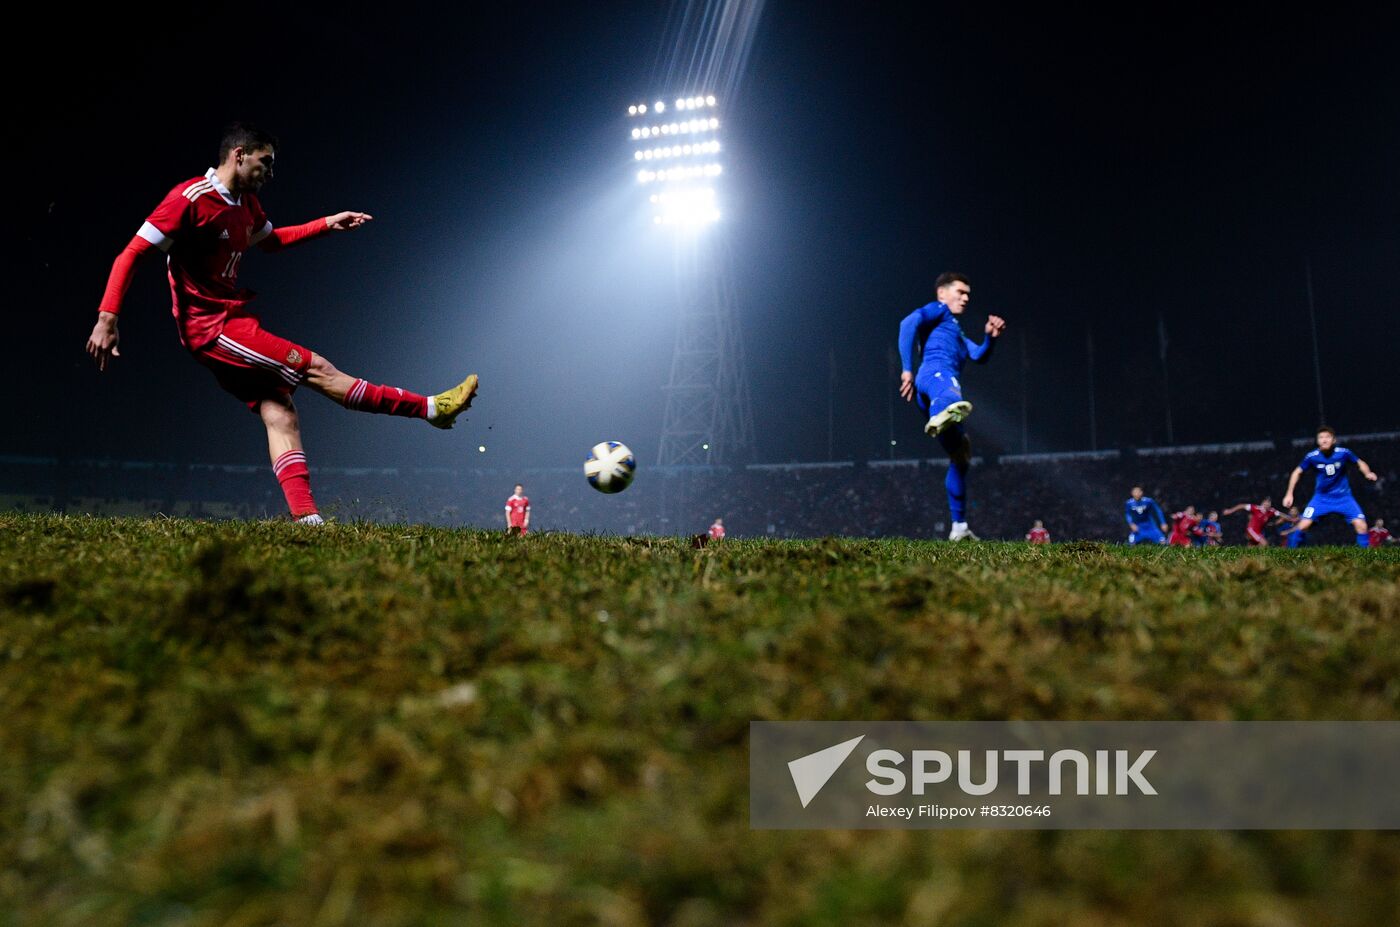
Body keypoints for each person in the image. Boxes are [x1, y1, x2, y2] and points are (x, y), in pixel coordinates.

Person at [85, 122, 478, 525]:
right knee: (319, 369)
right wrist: (107, 318)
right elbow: (130, 255)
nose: (271, 173)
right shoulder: (189, 200)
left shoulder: (245, 203)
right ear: (239, 155)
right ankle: (430, 408)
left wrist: (327, 223)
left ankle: (306, 519)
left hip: (230, 319)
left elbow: (272, 241)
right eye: (265, 162)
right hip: (212, 328)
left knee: (280, 413)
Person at [897, 272, 1006, 541]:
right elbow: (907, 323)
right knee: (952, 393)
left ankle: (959, 527)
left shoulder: (956, 331)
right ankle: (941, 412)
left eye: (968, 294)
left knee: (962, 455)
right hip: (934, 378)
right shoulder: (939, 310)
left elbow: (979, 355)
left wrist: (990, 338)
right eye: (961, 292)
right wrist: (906, 370)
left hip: (933, 390)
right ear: (942, 293)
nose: (966, 298)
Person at [1282, 426, 1379, 547]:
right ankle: (1290, 558)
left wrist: (1367, 472)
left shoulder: (1343, 453)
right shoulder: (1312, 456)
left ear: (1334, 440)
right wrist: (1289, 493)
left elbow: (1359, 462)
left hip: (1344, 497)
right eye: (1321, 437)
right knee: (1302, 526)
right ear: (1317, 441)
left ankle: (1365, 560)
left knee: (1362, 526)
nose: (1324, 440)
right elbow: (1297, 472)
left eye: (1328, 437)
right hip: (1321, 498)